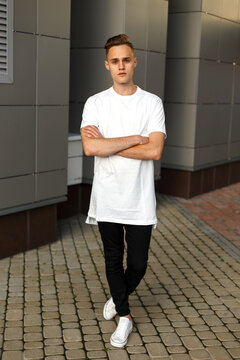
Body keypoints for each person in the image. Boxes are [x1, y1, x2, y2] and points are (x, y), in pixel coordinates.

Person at [81, 34, 166, 348]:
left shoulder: (151, 102)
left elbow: (154, 151)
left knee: (139, 263)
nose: (121, 65)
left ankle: (118, 297)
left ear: (134, 61)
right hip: (108, 196)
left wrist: (110, 143)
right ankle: (125, 316)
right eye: (114, 60)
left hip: (140, 198)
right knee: (113, 259)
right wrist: (135, 138)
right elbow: (91, 147)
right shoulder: (96, 103)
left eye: (126, 59)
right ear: (107, 65)